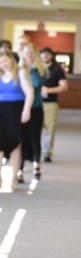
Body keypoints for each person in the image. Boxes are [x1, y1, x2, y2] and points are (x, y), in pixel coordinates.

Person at [0, 50, 33, 193]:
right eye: (0, 62)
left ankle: (13, 179)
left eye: (5, 61)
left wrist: (26, 110)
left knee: (15, 146)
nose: (3, 64)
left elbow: (30, 92)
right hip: (1, 113)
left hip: (15, 112)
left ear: (12, 60)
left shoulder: (20, 72)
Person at [18, 43, 48, 182]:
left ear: (35, 54)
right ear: (23, 54)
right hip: (20, 108)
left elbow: (36, 84)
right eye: (27, 52)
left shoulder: (41, 71)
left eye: (32, 53)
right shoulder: (18, 69)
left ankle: (37, 166)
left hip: (36, 108)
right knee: (22, 140)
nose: (29, 55)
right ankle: (20, 169)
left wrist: (34, 68)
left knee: (35, 138)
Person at [39, 47, 68, 163]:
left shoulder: (57, 69)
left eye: (48, 54)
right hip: (34, 103)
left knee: (49, 129)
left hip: (50, 103)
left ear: (52, 56)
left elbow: (64, 87)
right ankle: (32, 151)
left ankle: (47, 152)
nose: (45, 56)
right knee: (34, 129)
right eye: (43, 54)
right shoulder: (35, 67)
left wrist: (48, 90)